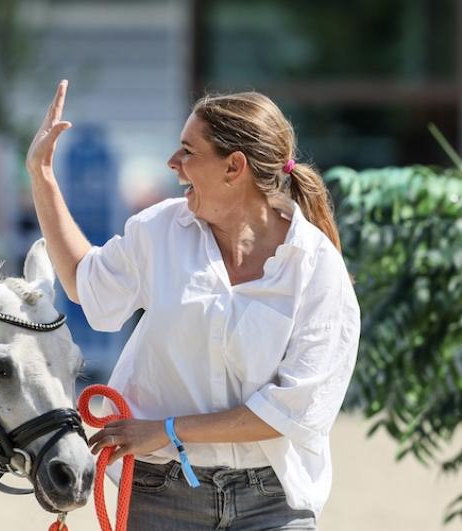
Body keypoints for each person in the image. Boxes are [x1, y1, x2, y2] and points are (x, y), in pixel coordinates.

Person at [27, 80, 359, 530]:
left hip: (273, 503)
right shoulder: (159, 230)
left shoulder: (317, 268)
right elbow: (89, 287)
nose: (172, 164)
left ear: (233, 167)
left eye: (188, 151)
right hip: (158, 493)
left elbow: (290, 412)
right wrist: (41, 175)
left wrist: (164, 430)